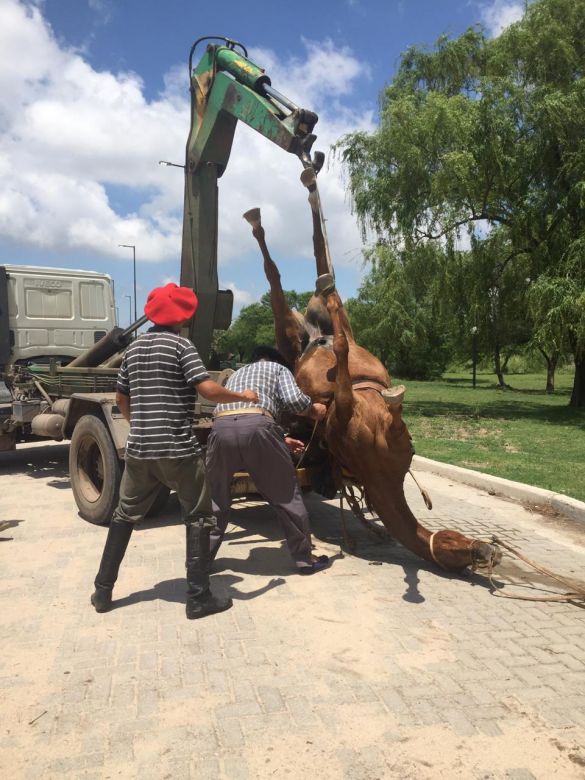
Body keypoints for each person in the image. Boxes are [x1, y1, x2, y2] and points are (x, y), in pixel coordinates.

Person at [90, 283, 259, 619]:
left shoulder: (133, 351)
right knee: (198, 517)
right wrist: (243, 396)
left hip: (140, 450)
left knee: (124, 516)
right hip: (178, 449)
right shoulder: (182, 346)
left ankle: (102, 592)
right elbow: (207, 390)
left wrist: (137, 423)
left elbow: (121, 397)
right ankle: (198, 598)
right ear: (182, 317)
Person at [205, 345, 330, 574]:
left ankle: (200, 560)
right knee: (286, 494)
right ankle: (305, 559)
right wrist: (314, 410)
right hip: (258, 427)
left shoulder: (236, 374)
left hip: (220, 428)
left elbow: (240, 415)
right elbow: (292, 401)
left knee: (215, 498)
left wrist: (281, 438)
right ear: (275, 360)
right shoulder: (277, 368)